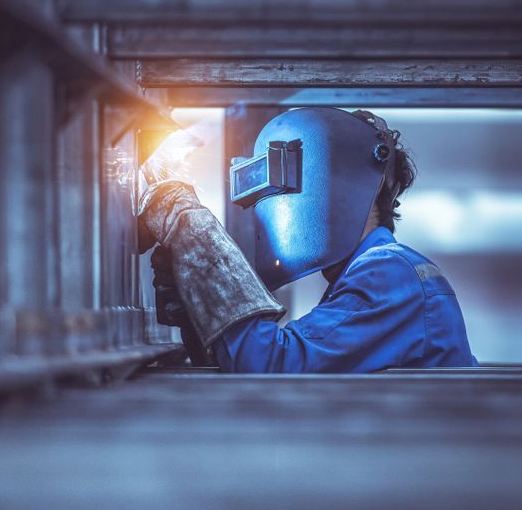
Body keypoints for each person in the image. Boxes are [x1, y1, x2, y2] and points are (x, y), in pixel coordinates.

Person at [139, 107, 476, 373]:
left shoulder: (390, 272)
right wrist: (201, 314)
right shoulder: (369, 277)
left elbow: (273, 364)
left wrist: (186, 222)